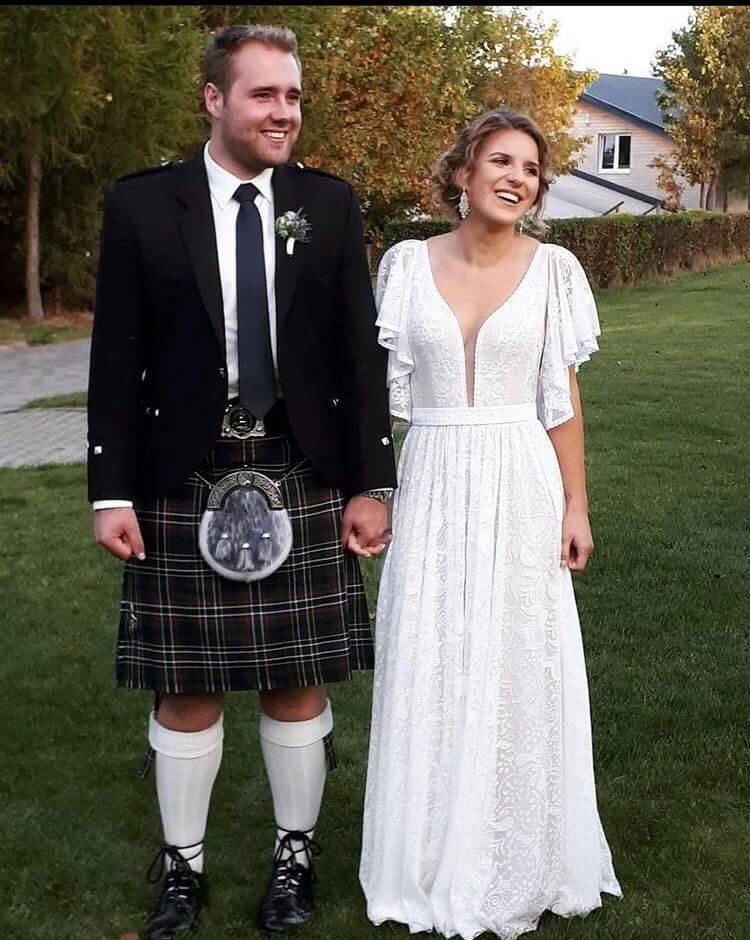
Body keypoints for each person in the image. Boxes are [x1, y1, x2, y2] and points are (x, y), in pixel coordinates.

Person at [87, 24, 396, 939]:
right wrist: (110, 492)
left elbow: (359, 356)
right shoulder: (144, 205)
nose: (284, 112)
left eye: (292, 96)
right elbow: (116, 358)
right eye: (265, 94)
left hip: (300, 464)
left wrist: (372, 483)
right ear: (214, 100)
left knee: (297, 678)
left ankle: (293, 860)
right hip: (181, 473)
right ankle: (183, 872)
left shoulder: (327, 204)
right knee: (185, 686)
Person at [360, 108, 621, 939]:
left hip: (521, 479)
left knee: (518, 656)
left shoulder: (555, 272)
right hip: (433, 475)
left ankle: (519, 850)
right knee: (431, 651)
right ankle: (425, 853)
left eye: (532, 169)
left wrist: (576, 505)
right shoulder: (405, 265)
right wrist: (374, 491)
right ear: (462, 172)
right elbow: (375, 399)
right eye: (501, 161)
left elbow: (562, 402)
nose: (517, 178)